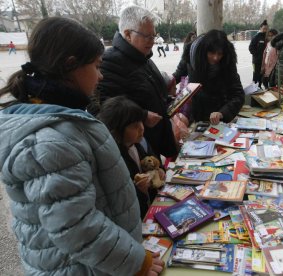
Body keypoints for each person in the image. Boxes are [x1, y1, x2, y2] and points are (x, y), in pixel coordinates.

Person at [0, 17, 164, 275]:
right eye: (97, 66)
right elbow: (77, 228)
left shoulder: (63, 115)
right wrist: (135, 261)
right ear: (71, 66)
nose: (100, 76)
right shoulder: (51, 141)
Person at [97, 5, 178, 159]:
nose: (152, 42)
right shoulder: (110, 62)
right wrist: (142, 115)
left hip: (156, 139)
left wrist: (170, 100)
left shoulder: (143, 57)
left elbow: (151, 92)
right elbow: (108, 107)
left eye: (153, 36)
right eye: (148, 37)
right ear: (128, 34)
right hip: (138, 147)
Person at [97, 96, 165, 219]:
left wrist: (160, 171)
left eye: (141, 121)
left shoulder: (141, 142)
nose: (141, 128)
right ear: (116, 131)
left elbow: (156, 164)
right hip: (137, 216)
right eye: (134, 125)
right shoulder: (115, 159)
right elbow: (120, 202)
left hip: (154, 207)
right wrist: (138, 190)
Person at [173, 29, 245, 124]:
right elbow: (177, 75)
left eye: (219, 54)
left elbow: (238, 95)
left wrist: (222, 113)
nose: (216, 58)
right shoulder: (191, 55)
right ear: (204, 50)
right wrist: (167, 85)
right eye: (212, 53)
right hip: (195, 113)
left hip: (218, 115)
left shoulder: (227, 62)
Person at [249, 20, 269, 89]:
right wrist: (257, 56)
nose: (265, 30)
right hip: (256, 61)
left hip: (263, 61)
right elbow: (251, 48)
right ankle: (253, 89)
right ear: (260, 28)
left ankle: (259, 87)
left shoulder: (266, 37)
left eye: (266, 29)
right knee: (256, 75)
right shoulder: (256, 37)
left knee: (261, 75)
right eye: (264, 28)